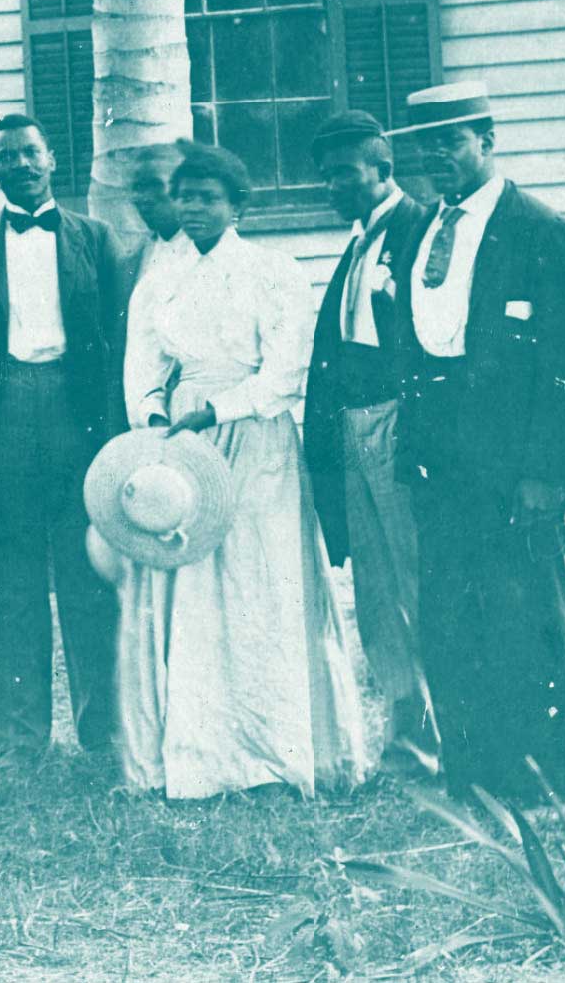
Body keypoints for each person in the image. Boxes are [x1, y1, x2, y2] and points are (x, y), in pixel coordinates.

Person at [115, 142, 370, 800]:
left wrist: (223, 409)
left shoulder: (273, 272)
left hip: (257, 440)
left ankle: (272, 756)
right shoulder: (159, 280)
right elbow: (142, 370)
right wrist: (153, 424)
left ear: (236, 206)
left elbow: (286, 370)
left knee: (261, 584)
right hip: (182, 449)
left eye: (208, 197)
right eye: (186, 196)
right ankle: (201, 758)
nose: (194, 208)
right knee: (190, 585)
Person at [386, 83, 565, 806]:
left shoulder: (539, 229)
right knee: (448, 611)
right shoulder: (417, 230)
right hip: (439, 456)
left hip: (513, 460)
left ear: (487, 139)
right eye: (423, 145)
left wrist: (546, 471)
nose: (435, 157)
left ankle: (542, 777)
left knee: (523, 610)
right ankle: (472, 770)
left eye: (451, 141)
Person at [0, 114, 128, 763]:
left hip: (76, 410)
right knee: (9, 581)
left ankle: (102, 729)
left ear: (52, 158)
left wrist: (112, 438)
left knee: (88, 573)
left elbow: (119, 343)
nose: (21, 164)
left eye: (31, 152)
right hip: (5, 409)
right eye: (6, 156)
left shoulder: (97, 237)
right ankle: (15, 739)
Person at [299, 111, 437, 775]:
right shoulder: (356, 246)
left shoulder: (419, 231)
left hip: (398, 423)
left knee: (416, 576)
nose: (334, 187)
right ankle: (407, 730)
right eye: (325, 176)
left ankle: (444, 727)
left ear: (383, 168)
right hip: (352, 426)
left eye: (345, 173)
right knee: (377, 587)